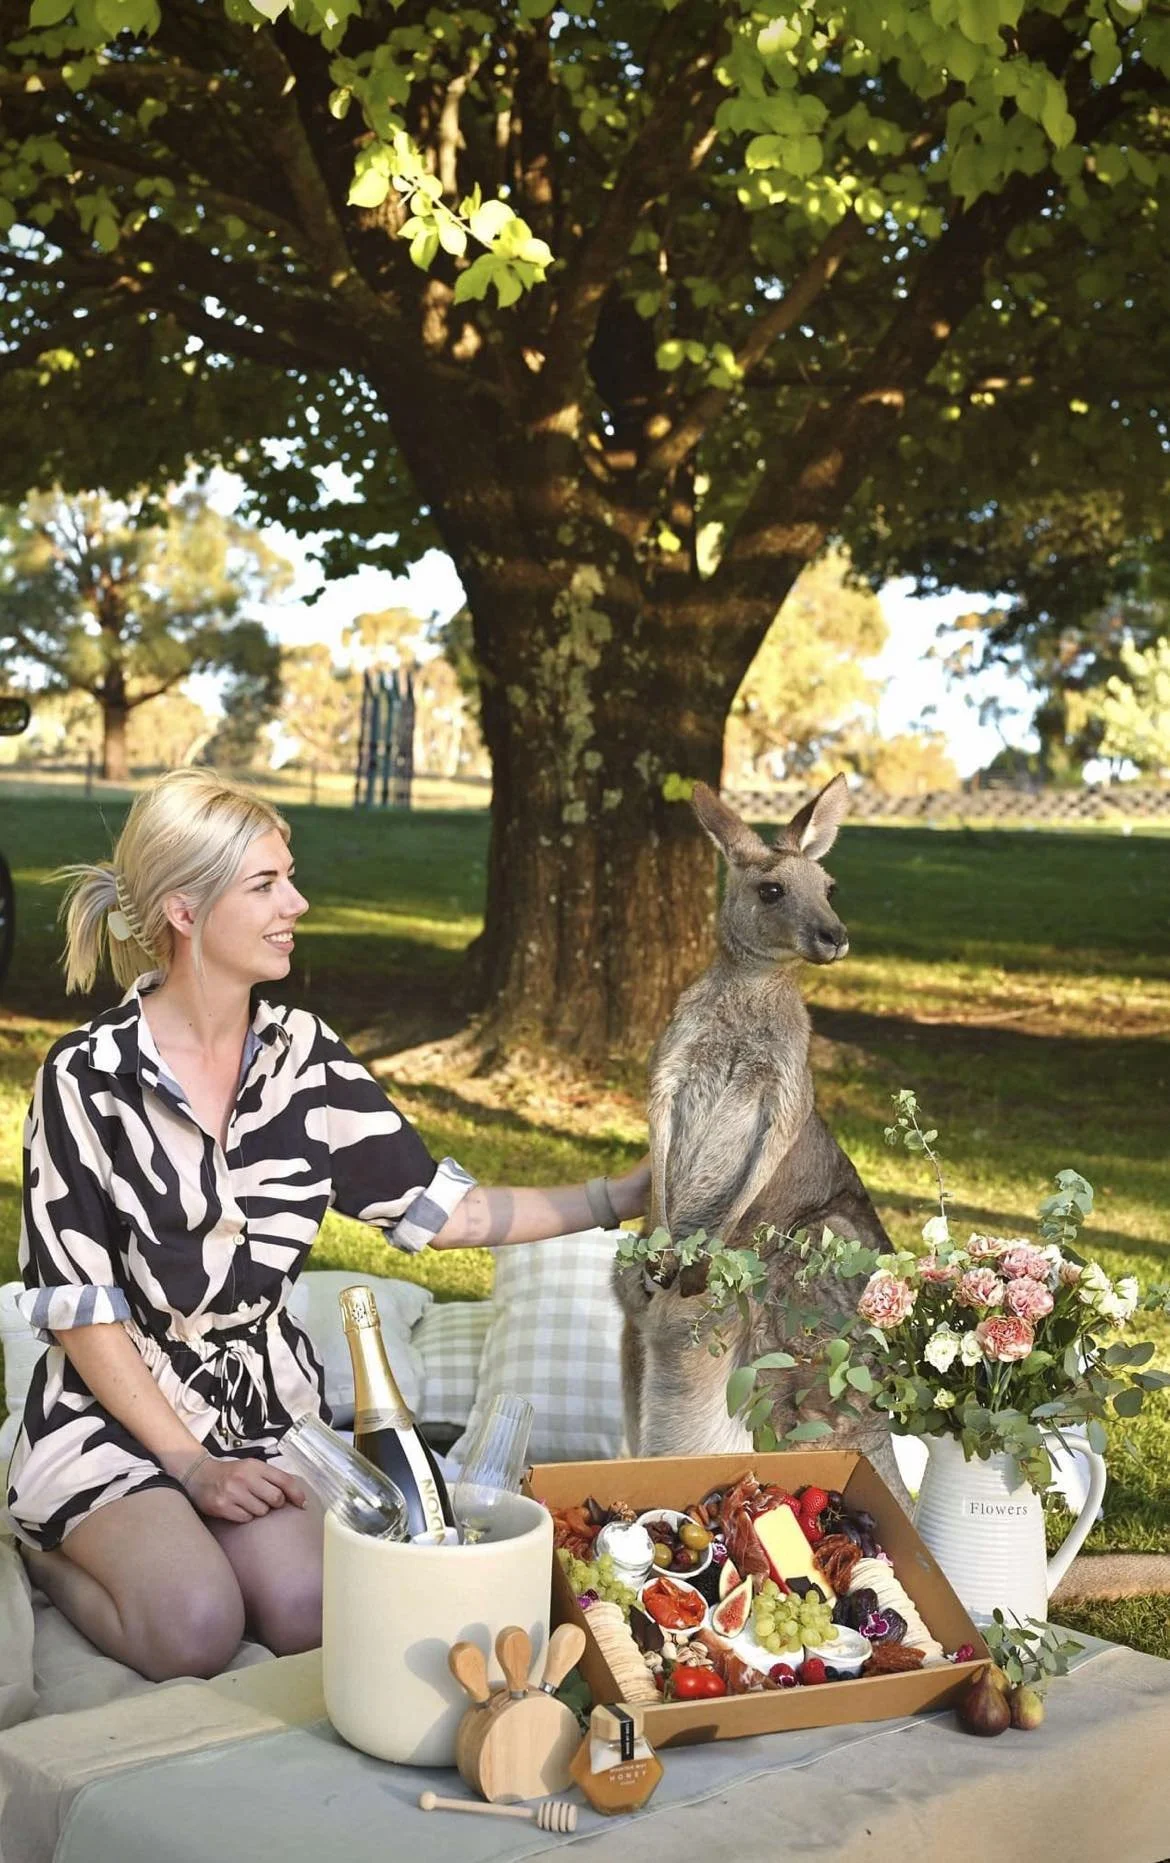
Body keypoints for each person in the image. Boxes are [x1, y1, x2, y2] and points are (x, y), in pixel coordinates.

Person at [7, 769, 649, 1682]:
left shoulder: (306, 1059)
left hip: (263, 1416)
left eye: (289, 876)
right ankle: (49, 1546)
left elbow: (448, 1210)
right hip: (116, 1420)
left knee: (314, 1611)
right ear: (185, 911)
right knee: (191, 1627)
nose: (296, 903)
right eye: (265, 884)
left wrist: (617, 1196)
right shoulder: (84, 1079)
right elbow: (81, 1310)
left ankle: (192, 1538)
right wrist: (189, 1470)